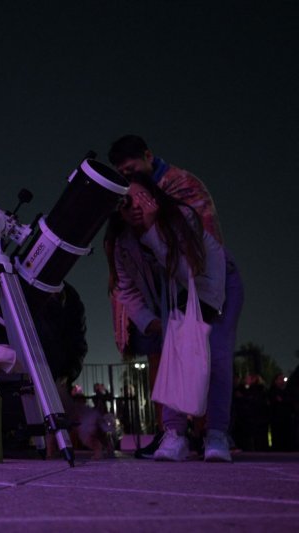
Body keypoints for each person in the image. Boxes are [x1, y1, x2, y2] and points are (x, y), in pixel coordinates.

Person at [108, 135, 244, 462]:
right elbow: (124, 286)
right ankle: (175, 434)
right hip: (177, 292)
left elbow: (190, 272)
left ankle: (216, 435)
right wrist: (148, 321)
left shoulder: (183, 212)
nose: (135, 208)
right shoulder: (121, 239)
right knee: (173, 354)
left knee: (218, 358)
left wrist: (154, 229)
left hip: (214, 284)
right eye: (126, 202)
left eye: (140, 198)